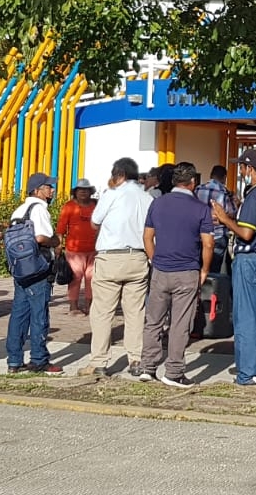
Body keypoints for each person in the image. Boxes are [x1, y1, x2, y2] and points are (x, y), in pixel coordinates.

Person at [211, 148, 256, 386]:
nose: (241, 171)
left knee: (246, 318)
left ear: (249, 169)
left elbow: (246, 232)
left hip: (250, 259)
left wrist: (224, 219)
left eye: (242, 167)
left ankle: (248, 373)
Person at [137, 162, 216, 386]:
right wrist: (204, 270)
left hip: (161, 269)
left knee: (153, 320)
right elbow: (208, 244)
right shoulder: (200, 208)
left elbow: (147, 237)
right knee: (181, 323)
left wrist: (155, 260)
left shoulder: (157, 203)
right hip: (187, 269)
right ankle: (173, 371)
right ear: (193, 183)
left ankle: (147, 366)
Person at [86, 157, 154, 376]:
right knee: (135, 312)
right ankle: (135, 359)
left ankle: (99, 361)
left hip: (111, 257)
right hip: (138, 257)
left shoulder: (112, 195)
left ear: (119, 175)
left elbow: (95, 221)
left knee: (103, 311)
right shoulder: (147, 197)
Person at [7, 173, 62, 375]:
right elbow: (40, 237)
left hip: (20, 268)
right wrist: (56, 242)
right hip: (38, 268)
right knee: (39, 314)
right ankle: (39, 359)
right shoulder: (39, 209)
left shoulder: (19, 210)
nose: (52, 190)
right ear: (38, 190)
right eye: (49, 187)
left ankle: (14, 360)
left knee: (19, 314)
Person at [57, 178, 99, 315]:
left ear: (90, 192)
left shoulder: (96, 205)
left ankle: (89, 306)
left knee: (92, 279)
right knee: (75, 278)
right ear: (75, 192)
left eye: (86, 190)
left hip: (94, 249)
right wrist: (58, 246)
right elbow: (61, 229)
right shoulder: (69, 206)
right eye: (80, 190)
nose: (83, 193)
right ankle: (73, 307)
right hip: (74, 251)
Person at [195, 165, 238, 275]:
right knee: (213, 271)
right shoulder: (224, 192)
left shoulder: (198, 189)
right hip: (217, 235)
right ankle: (210, 291)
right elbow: (232, 213)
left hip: (199, 235)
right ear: (224, 177)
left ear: (211, 175)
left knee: (198, 268)